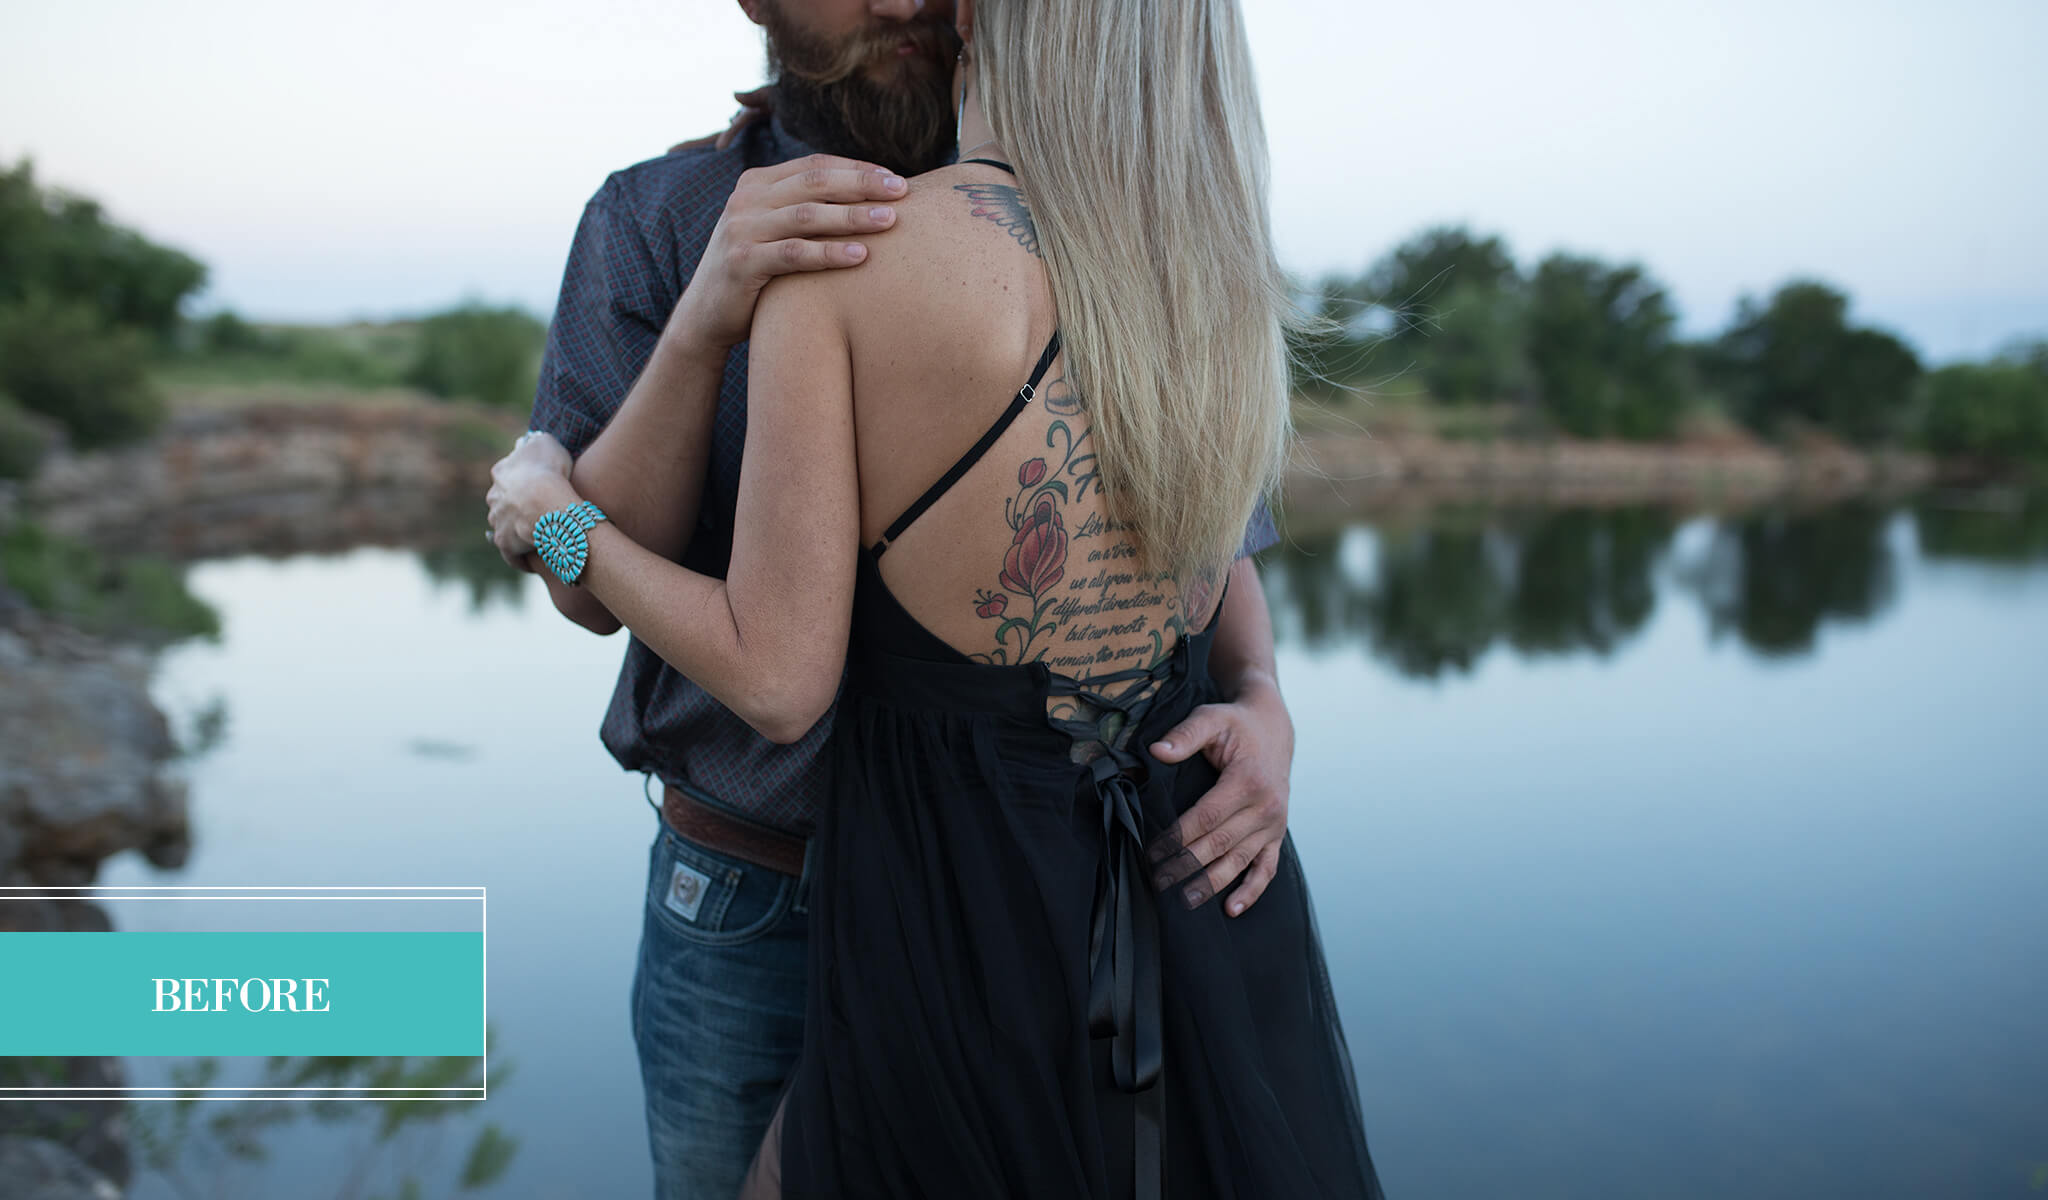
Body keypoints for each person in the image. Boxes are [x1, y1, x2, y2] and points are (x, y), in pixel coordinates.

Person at [488, 0, 1385, 1195]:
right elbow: (594, 605)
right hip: (767, 892)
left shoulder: (1115, 230)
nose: (906, 1)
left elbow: (1209, 543)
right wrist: (704, 318)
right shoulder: (659, 216)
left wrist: (1261, 696)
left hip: (1029, 887)